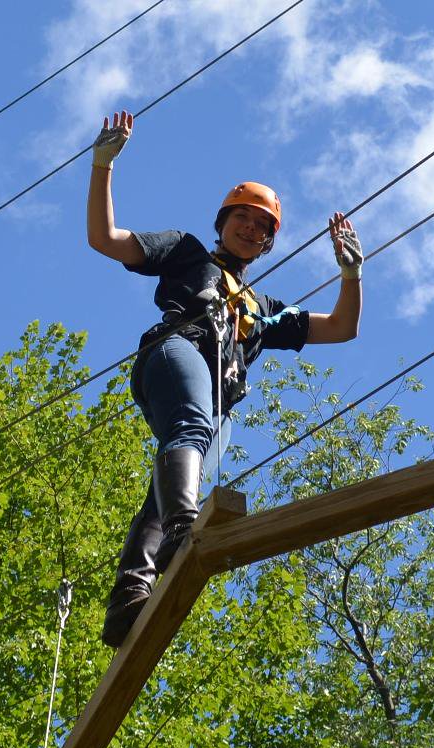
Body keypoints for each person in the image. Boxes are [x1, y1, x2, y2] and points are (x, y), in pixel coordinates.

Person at [86, 109, 366, 647]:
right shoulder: (188, 253)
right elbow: (105, 238)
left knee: (166, 490)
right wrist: (103, 165)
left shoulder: (263, 309)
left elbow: (344, 328)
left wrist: (351, 274)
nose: (252, 228)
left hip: (216, 401)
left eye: (263, 227)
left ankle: (129, 600)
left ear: (267, 244)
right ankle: (181, 530)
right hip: (174, 356)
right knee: (190, 434)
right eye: (244, 217)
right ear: (224, 221)